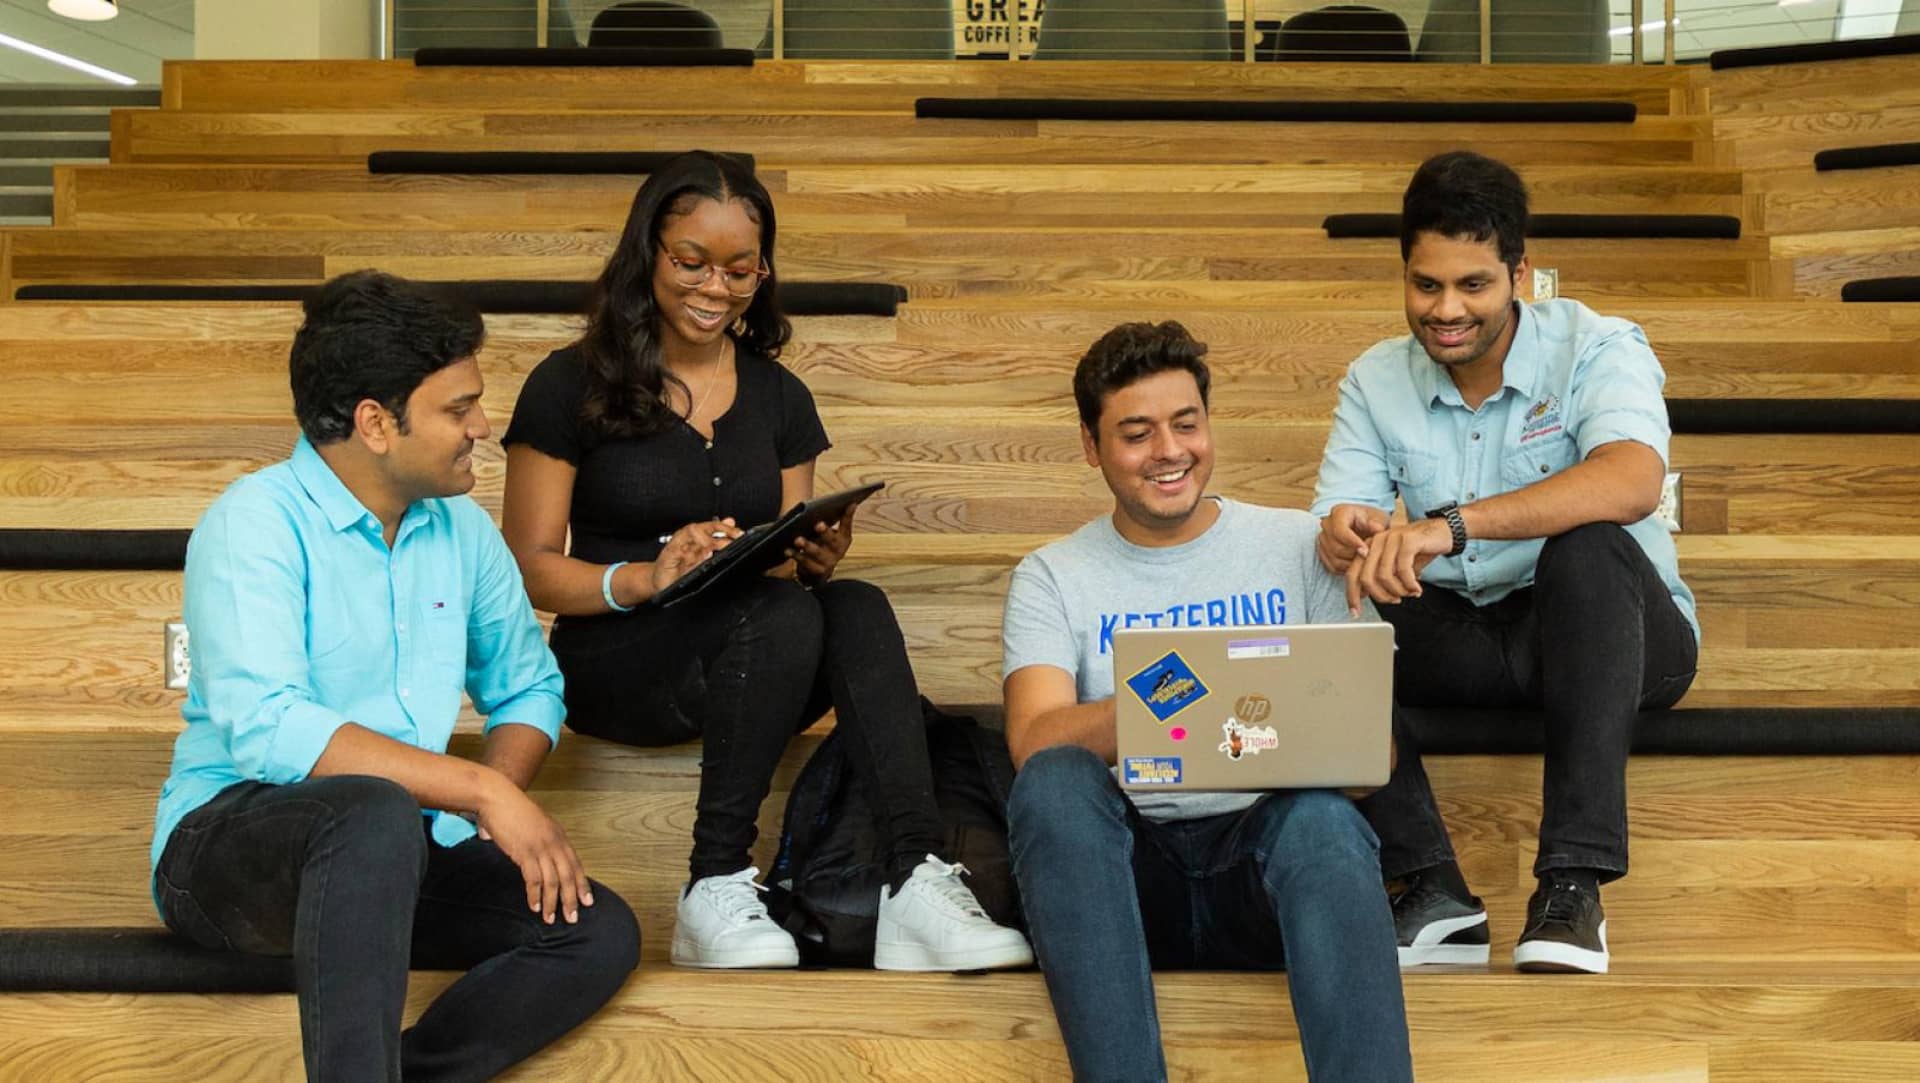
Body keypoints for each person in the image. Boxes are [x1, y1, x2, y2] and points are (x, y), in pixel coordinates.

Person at [500, 150, 1030, 972]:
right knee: (782, 614)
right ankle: (712, 880)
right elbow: (528, 567)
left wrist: (811, 557)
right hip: (618, 661)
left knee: (850, 603)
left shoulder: (781, 398)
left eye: (740, 270)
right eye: (692, 263)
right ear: (647, 254)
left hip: (752, 655)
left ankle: (914, 879)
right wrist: (646, 577)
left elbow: (783, 575)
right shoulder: (567, 384)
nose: (716, 288)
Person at [149, 270, 640, 1082]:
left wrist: (495, 791)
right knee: (374, 811)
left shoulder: (463, 533)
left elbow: (527, 688)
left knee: (595, 928)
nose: (484, 425)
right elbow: (270, 726)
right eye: (459, 408)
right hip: (226, 848)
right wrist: (480, 792)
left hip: (393, 850)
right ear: (376, 423)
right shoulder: (253, 523)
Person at [1312, 150, 1700, 975]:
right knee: (1319, 590)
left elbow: (1633, 479)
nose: (1446, 310)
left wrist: (1450, 525)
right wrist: (1345, 535)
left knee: (1590, 547)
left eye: (1473, 286)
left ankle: (1572, 886)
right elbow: (1338, 517)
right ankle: (1431, 887)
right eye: (1426, 285)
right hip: (1465, 632)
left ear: (1521, 273)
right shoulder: (1374, 379)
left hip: (1610, 634)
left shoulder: (1597, 345)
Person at [1002, 320, 1413, 1082]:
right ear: (1092, 446)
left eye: (1186, 424)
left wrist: (1253, 714)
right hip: (1124, 881)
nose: (1169, 451)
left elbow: (1372, 757)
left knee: (1326, 817)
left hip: (1268, 873)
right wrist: (1182, 693)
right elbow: (1034, 741)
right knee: (1056, 783)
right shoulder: (1052, 575)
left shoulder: (1300, 545)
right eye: (1136, 433)